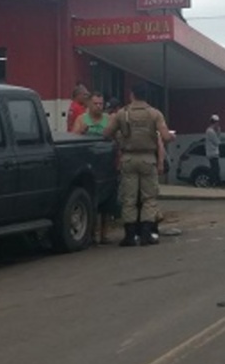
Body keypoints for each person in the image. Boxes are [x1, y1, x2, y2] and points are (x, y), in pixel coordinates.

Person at [102, 83, 172, 247]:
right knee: (149, 197)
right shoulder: (155, 114)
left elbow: (106, 133)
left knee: (129, 198)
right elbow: (166, 137)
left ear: (131, 95)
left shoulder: (121, 113)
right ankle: (147, 234)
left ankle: (130, 236)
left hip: (128, 158)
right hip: (148, 159)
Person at [73, 92, 117, 244]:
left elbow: (117, 138)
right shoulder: (81, 120)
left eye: (101, 104)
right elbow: (73, 138)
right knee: (91, 200)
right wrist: (81, 132)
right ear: (89, 105)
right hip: (88, 166)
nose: (99, 107)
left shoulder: (109, 119)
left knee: (107, 202)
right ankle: (91, 233)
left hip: (106, 165)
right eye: (96, 104)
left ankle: (104, 234)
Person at [205, 114, 221, 187]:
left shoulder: (209, 131)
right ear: (215, 122)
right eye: (217, 123)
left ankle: (214, 182)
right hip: (212, 153)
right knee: (215, 169)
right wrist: (218, 132)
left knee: (215, 168)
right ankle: (212, 182)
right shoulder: (210, 131)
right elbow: (217, 142)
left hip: (212, 153)